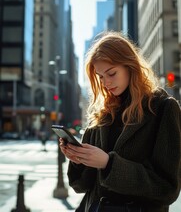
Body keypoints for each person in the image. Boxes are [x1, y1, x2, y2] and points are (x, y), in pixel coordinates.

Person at [59, 31, 181, 212]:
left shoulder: (163, 109)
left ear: (130, 66)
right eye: (100, 76)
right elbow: (81, 186)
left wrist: (109, 164)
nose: (106, 82)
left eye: (111, 73)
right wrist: (79, 159)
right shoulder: (102, 115)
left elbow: (167, 188)